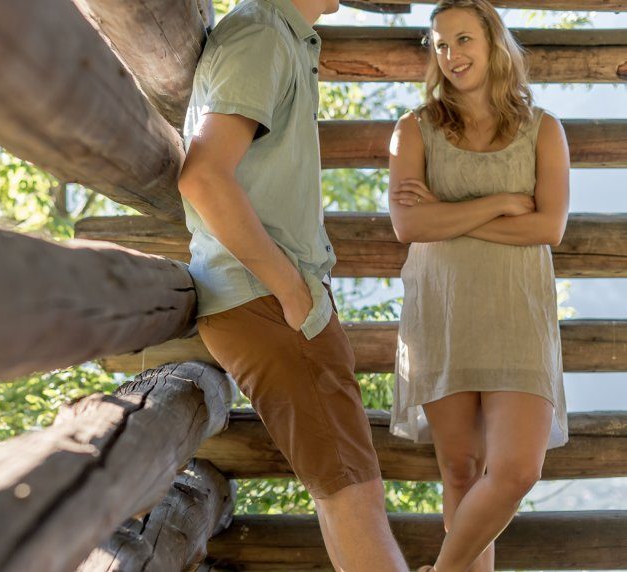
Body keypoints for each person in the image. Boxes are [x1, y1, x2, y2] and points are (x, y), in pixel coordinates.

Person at [177, 0, 408, 570]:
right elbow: (203, 176)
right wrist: (293, 292)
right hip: (269, 302)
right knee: (353, 494)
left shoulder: (279, 36)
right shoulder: (262, 34)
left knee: (344, 491)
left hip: (272, 302)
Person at [387, 1, 570, 570]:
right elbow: (410, 226)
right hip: (441, 312)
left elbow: (548, 227)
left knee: (517, 470)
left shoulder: (543, 129)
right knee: (461, 471)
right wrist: (500, 205)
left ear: (494, 43)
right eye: (440, 45)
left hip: (518, 315)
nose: (451, 56)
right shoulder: (413, 129)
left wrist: (453, 212)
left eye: (463, 40)